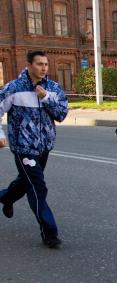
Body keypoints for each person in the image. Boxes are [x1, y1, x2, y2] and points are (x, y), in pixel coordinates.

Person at [0, 50, 68, 248]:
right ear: (29, 65)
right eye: (39, 64)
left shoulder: (53, 88)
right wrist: (1, 135)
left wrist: (46, 98)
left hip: (44, 146)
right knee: (38, 187)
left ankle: (5, 197)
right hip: (23, 147)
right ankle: (50, 233)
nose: (44, 68)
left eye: (46, 64)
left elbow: (62, 114)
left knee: (26, 181)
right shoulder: (14, 88)